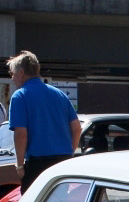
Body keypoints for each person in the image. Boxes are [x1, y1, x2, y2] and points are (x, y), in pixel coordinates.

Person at [6, 51, 81, 193]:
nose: (12, 78)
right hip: (62, 159)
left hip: (38, 163)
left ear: (21, 72)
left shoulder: (20, 95)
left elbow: (21, 134)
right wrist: (69, 151)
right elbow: (76, 128)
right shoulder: (59, 94)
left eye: (13, 73)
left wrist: (20, 165)